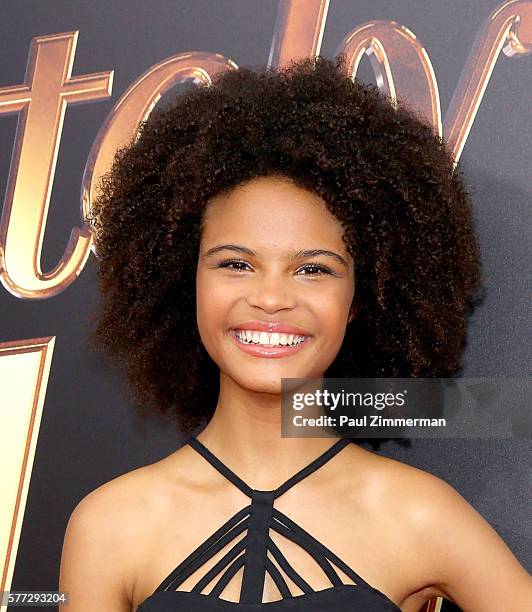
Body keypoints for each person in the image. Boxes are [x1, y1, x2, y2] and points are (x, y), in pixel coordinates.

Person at [58, 55, 531, 611]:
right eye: (235, 264)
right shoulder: (109, 525)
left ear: (363, 298)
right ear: (184, 280)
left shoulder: (418, 514)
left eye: (314, 269)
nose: (272, 298)